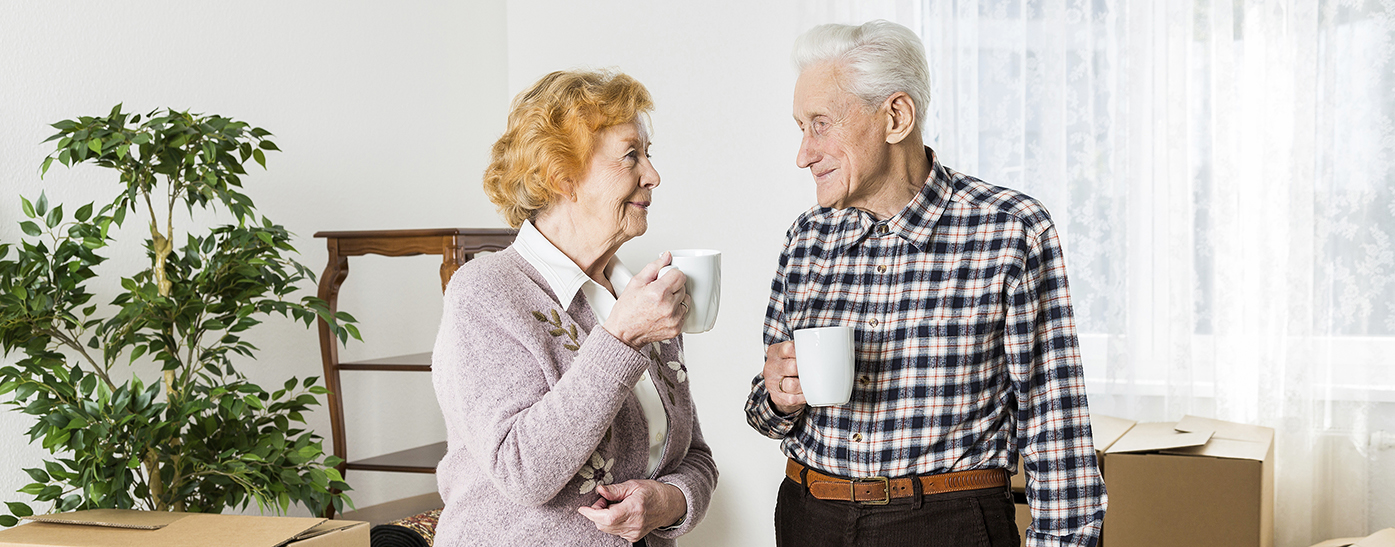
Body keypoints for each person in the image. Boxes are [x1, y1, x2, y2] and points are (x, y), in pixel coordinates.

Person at [744, 20, 1106, 547]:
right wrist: (778, 397)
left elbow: (1057, 433)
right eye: (801, 127)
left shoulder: (1010, 230)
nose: (803, 153)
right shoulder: (806, 238)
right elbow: (764, 413)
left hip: (947, 524)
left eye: (820, 124)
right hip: (810, 518)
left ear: (896, 116)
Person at [432, 69, 717, 547]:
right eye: (631, 156)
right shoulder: (486, 293)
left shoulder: (637, 295)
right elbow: (522, 470)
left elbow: (695, 457)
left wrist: (669, 502)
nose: (653, 175)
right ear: (563, 177)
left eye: (649, 155)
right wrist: (620, 339)